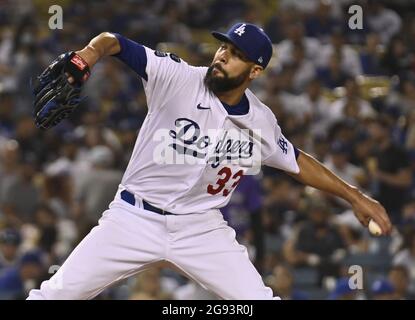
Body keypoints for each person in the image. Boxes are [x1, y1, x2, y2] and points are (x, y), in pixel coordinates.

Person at [27, 22, 392, 300]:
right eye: (223, 47)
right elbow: (113, 42)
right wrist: (86, 56)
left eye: (235, 54)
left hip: (200, 228)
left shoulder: (260, 121)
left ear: (255, 71)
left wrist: (355, 196)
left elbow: (297, 161)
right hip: (132, 218)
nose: (222, 56)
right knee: (53, 296)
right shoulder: (178, 77)